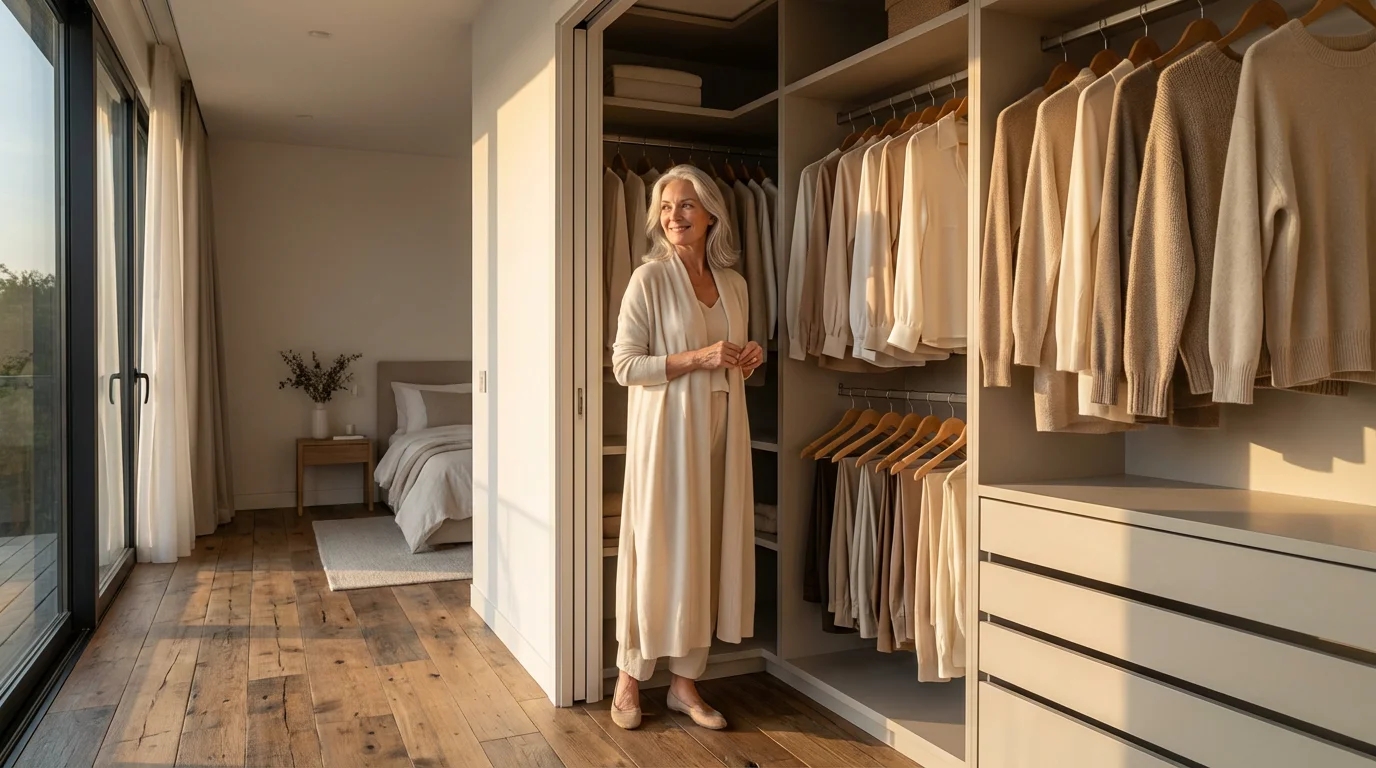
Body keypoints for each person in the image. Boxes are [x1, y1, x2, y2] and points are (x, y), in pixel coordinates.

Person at [609, 164, 762, 730]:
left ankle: (684, 682)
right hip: (667, 433)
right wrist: (699, 357)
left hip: (722, 429)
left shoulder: (736, 284)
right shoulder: (647, 279)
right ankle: (629, 676)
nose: (675, 216)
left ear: (711, 214)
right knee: (658, 546)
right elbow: (624, 365)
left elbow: (731, 353)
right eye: (667, 207)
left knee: (709, 544)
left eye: (687, 205)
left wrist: (749, 356)